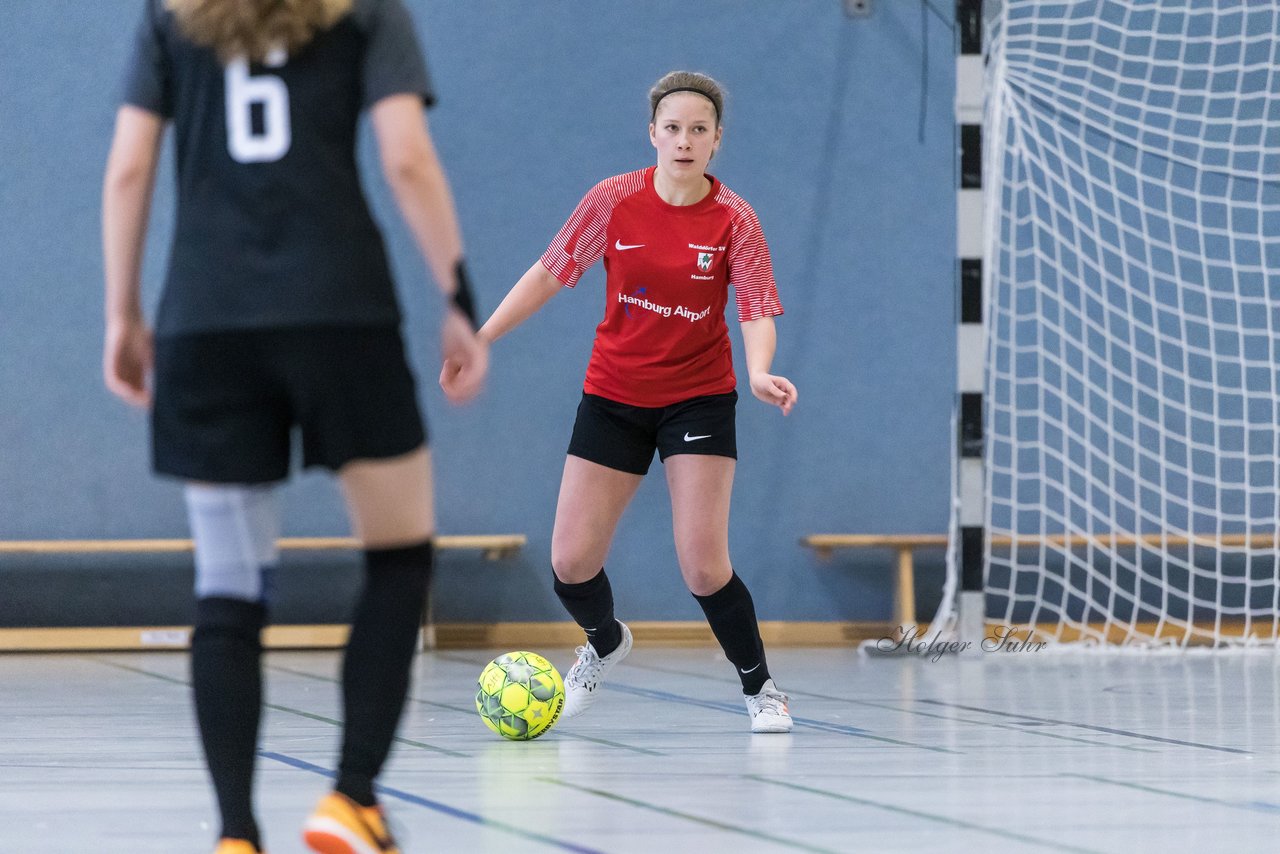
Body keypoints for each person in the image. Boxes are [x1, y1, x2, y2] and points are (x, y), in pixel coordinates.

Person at [102, 0, 487, 851]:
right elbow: (407, 158)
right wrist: (457, 296)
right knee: (398, 557)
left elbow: (129, 168)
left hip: (208, 320)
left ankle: (237, 832)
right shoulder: (366, 13)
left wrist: (123, 312)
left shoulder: (170, 18)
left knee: (228, 589)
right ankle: (351, 798)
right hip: (339, 312)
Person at [468, 70, 795, 735]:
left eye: (698, 130)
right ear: (652, 134)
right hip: (614, 395)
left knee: (704, 565)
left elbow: (758, 307)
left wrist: (760, 371)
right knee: (570, 564)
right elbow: (550, 271)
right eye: (672, 128)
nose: (683, 140)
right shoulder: (613, 201)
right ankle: (606, 638)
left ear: (716, 141)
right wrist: (481, 339)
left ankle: (762, 690)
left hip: (697, 401)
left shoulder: (735, 218)